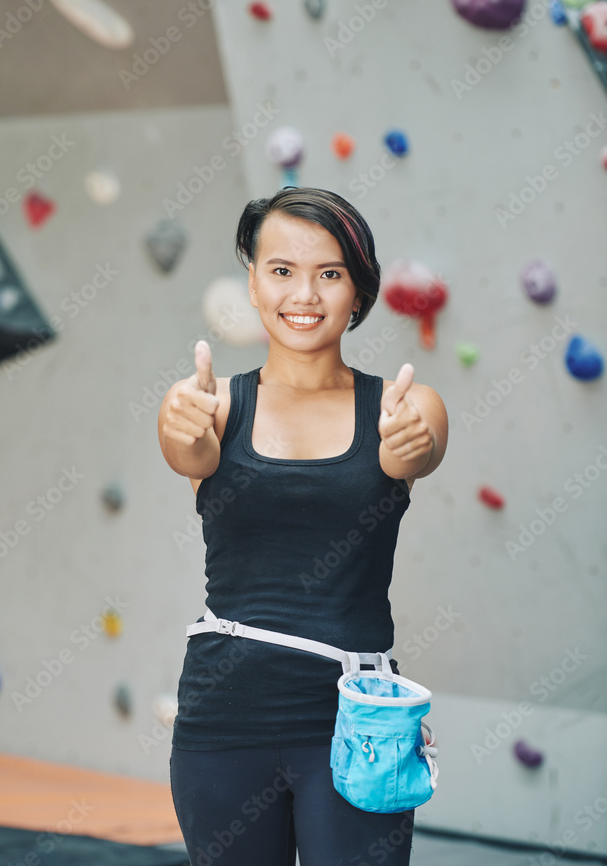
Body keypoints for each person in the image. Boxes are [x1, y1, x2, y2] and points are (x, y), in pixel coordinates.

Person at [158, 186, 448, 866]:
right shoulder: (208, 404)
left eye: (330, 273)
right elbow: (187, 452)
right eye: (281, 270)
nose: (304, 294)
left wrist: (412, 444)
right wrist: (181, 428)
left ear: (358, 290)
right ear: (252, 283)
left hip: (360, 724)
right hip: (223, 720)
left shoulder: (404, 405)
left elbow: (420, 449)